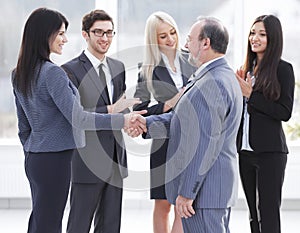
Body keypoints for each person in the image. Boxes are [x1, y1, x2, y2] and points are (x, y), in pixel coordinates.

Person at [12, 7, 145, 233]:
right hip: (56, 159)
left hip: (36, 159)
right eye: (61, 33)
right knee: (50, 223)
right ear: (45, 35)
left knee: (41, 221)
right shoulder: (53, 73)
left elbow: (23, 127)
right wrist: (121, 120)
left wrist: (33, 150)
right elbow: (79, 118)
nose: (65, 39)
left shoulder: (20, 73)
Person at [130, 16, 243, 233]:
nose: (184, 44)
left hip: (205, 189)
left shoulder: (213, 82)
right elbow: (183, 121)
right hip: (210, 186)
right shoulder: (213, 75)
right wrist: (145, 123)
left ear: (205, 43)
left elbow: (202, 144)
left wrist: (187, 192)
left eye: (190, 39)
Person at [62, 9, 137, 233]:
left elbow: (122, 106)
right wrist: (112, 110)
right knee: (79, 225)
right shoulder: (70, 70)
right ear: (85, 35)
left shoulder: (118, 67)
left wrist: (131, 121)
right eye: (98, 32)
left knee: (111, 226)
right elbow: (75, 116)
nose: (105, 38)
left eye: (109, 32)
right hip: (87, 161)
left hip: (115, 159)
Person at [133, 11, 195, 233]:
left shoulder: (192, 59)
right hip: (163, 144)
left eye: (172, 33)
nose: (170, 39)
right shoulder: (147, 70)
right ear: (153, 39)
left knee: (184, 204)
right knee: (163, 204)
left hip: (191, 141)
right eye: (163, 36)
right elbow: (139, 112)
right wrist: (168, 103)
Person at [235, 15, 295, 233]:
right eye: (252, 33)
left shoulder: (283, 69)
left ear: (273, 38)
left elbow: (284, 112)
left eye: (262, 34)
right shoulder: (245, 70)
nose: (254, 38)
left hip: (270, 153)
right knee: (253, 215)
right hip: (245, 152)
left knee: (268, 215)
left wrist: (250, 94)